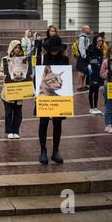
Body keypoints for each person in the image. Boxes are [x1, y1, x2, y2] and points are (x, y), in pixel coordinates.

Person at [38, 36, 69, 165]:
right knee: (44, 122)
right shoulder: (42, 58)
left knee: (58, 123)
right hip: (44, 95)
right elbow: (38, 76)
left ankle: (55, 151)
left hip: (58, 97)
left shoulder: (65, 59)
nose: (54, 51)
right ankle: (43, 150)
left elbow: (67, 77)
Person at [0, 40, 25, 139]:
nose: (17, 49)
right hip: (8, 90)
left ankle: (16, 130)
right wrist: (3, 75)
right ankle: (9, 131)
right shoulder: (6, 59)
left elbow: (26, 71)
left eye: (19, 48)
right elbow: (1, 71)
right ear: (12, 48)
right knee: (9, 112)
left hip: (19, 90)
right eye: (16, 47)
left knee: (18, 112)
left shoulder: (23, 60)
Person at [87, 35, 104, 115]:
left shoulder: (100, 50)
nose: (100, 42)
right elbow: (88, 60)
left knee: (97, 90)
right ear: (95, 41)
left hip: (98, 71)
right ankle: (91, 108)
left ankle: (96, 107)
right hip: (92, 72)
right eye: (99, 41)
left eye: (101, 41)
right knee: (91, 90)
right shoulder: (91, 49)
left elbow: (101, 60)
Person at [76, 25, 92, 91]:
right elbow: (81, 47)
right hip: (83, 56)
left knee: (84, 71)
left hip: (86, 56)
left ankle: (83, 85)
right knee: (81, 72)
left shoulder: (86, 37)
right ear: (84, 29)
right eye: (88, 28)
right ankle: (79, 86)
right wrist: (84, 55)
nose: (89, 29)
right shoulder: (82, 37)